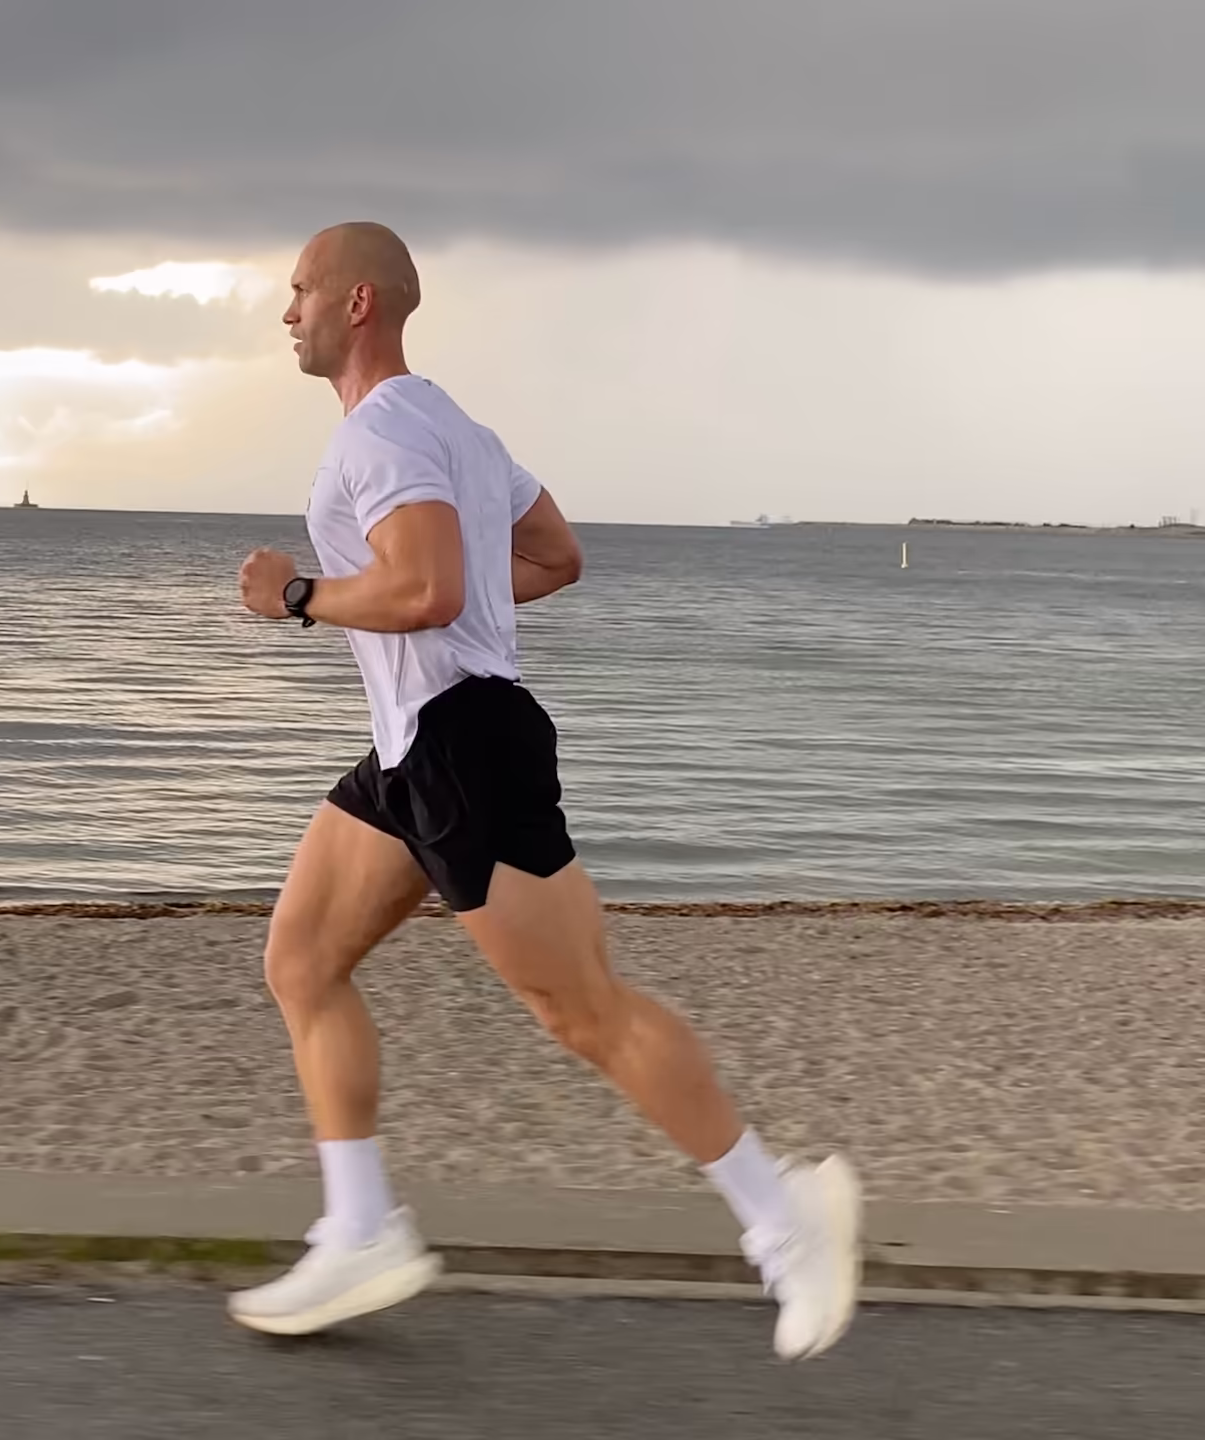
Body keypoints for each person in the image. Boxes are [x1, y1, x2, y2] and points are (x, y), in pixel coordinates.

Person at [229, 221, 861, 1360]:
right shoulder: (458, 428)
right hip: (419, 745)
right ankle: (362, 1227)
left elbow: (422, 586)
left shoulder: (383, 434)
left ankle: (786, 1220)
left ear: (359, 302)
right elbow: (554, 555)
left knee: (584, 1012)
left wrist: (298, 595)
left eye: (301, 290)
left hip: (466, 743)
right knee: (301, 960)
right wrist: (464, 608)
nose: (288, 311)